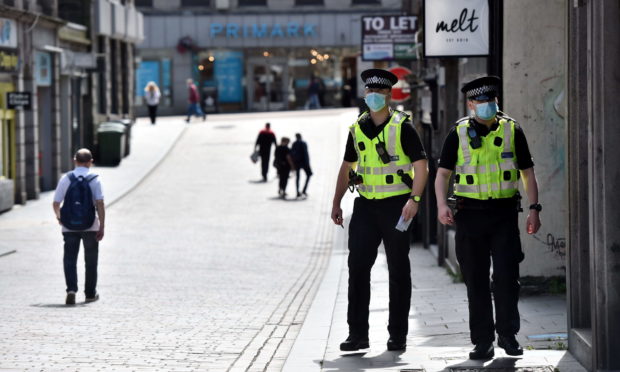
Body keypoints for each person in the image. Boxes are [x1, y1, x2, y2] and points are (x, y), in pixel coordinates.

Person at [434, 76, 542, 360]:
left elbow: (527, 173)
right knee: (476, 281)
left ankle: (508, 335)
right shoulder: (456, 134)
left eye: (491, 101)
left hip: (504, 215)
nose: (487, 106)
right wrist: (441, 205)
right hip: (469, 216)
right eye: (481, 101)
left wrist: (534, 208)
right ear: (471, 104)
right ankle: (482, 341)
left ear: (497, 101)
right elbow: (442, 174)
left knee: (507, 278)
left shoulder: (512, 130)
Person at [331, 69, 429, 352]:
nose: (373, 97)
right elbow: (346, 166)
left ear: (388, 96)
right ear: (365, 94)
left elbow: (421, 166)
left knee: (398, 270)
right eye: (369, 92)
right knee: (357, 268)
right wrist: (336, 201)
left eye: (379, 93)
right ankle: (357, 334)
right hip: (364, 207)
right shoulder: (357, 128)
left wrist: (415, 199)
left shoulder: (403, 126)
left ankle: (397, 335)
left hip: (397, 206)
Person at [52, 149, 105, 305]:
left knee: (69, 259)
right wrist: (102, 225)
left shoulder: (65, 179)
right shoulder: (96, 179)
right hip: (90, 226)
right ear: (91, 161)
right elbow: (100, 203)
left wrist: (60, 218)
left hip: (69, 227)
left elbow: (56, 203)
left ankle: (71, 290)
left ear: (74, 160)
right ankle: (90, 294)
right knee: (91, 261)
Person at [291, 133, 312, 198]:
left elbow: (292, 153)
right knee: (309, 174)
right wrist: (308, 164)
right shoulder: (303, 143)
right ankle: (304, 190)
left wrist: (293, 164)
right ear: (301, 136)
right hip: (304, 163)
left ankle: (297, 191)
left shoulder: (294, 143)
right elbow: (305, 153)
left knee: (297, 177)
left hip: (297, 163)